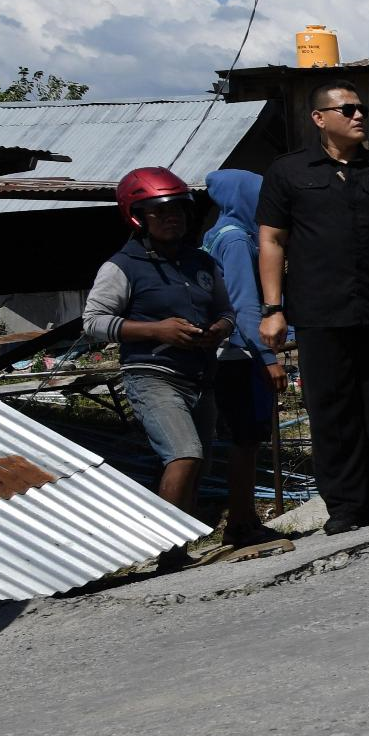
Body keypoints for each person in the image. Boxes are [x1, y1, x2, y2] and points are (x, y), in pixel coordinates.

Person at [256, 84, 369, 535]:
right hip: (321, 311)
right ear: (320, 118)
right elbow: (272, 240)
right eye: (348, 109)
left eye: (361, 107)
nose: (359, 114)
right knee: (331, 409)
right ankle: (343, 506)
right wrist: (272, 307)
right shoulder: (288, 172)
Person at [85, 168, 234, 513]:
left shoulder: (201, 262)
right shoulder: (122, 266)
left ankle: (188, 544)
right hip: (152, 374)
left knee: (199, 465)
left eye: (179, 210)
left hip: (201, 376)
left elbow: (227, 311)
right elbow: (93, 321)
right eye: (161, 211)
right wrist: (157, 330)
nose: (173, 218)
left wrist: (219, 329)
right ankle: (169, 549)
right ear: (137, 217)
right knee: (184, 454)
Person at [201, 170, 287, 543]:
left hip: (239, 351)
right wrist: (269, 358)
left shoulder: (222, 234)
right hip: (239, 354)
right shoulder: (236, 240)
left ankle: (245, 518)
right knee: (245, 438)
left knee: (248, 437)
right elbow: (244, 305)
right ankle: (239, 521)